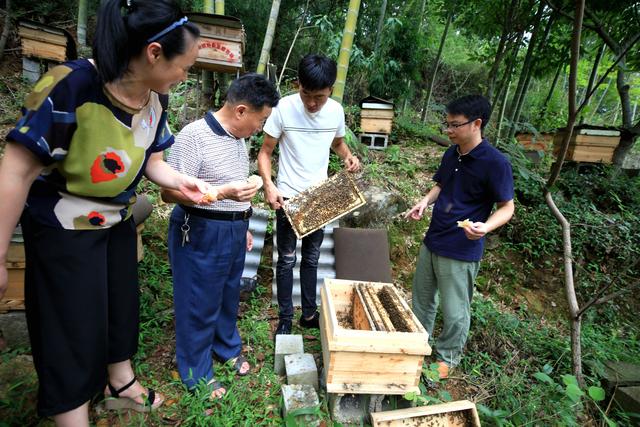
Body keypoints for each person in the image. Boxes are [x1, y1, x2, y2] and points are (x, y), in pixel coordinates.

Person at [0, 1, 211, 425]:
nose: (184, 75)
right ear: (154, 53)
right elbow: (17, 169)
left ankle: (121, 382)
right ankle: (71, 413)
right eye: (184, 66)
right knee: (70, 328)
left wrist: (178, 181)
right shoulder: (71, 85)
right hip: (63, 223)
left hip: (116, 218)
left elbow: (148, 155)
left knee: (120, 308)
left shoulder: (155, 98)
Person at [160, 73, 279, 400]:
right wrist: (221, 194)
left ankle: (226, 347)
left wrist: (241, 225)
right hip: (198, 230)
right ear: (241, 110)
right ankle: (196, 370)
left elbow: (233, 191)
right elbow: (168, 193)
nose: (260, 128)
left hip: (232, 230)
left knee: (228, 294)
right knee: (198, 300)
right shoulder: (194, 136)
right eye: (261, 119)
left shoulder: (239, 138)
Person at [405, 95, 514, 379]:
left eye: (455, 125)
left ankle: (447, 358)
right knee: (422, 302)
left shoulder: (495, 163)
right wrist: (424, 202)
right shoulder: (452, 152)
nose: (449, 131)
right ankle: (418, 347)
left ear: (477, 124)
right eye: (447, 125)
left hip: (462, 249)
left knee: (455, 311)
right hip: (433, 239)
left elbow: (507, 207)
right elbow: (441, 184)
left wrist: (485, 227)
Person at [257, 54, 361, 336]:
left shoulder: (336, 111)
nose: (312, 103)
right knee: (287, 258)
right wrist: (269, 184)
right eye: (306, 94)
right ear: (296, 84)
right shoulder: (283, 108)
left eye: (320, 97)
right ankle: (286, 318)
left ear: (331, 90)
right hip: (288, 196)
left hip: (320, 196)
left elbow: (337, 143)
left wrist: (349, 156)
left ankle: (309, 314)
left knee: (312, 258)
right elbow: (265, 151)